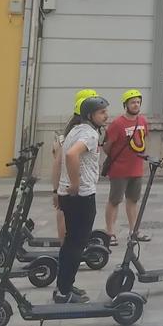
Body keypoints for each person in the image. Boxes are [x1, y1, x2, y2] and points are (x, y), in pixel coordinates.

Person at [55, 95, 110, 303]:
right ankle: (64, 292)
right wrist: (76, 183)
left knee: (70, 243)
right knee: (76, 245)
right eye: (102, 112)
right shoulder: (89, 135)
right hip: (81, 195)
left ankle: (64, 286)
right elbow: (70, 155)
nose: (106, 116)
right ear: (90, 115)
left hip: (67, 194)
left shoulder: (76, 129)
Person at [103, 89, 149, 246]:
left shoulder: (142, 121)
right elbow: (107, 147)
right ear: (126, 105)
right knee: (114, 200)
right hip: (119, 170)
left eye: (138, 102)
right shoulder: (117, 124)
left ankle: (133, 231)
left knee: (133, 200)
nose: (136, 105)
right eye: (132, 102)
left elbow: (144, 139)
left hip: (136, 168)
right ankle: (110, 232)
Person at [52, 88, 97, 241]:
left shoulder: (73, 130)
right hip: (73, 189)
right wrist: (57, 190)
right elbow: (59, 164)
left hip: (69, 188)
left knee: (65, 216)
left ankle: (67, 249)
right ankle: (67, 249)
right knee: (68, 219)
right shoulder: (79, 133)